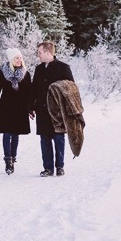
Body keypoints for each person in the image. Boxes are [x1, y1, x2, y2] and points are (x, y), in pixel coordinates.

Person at [30, 41, 74, 177]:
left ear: (48, 52)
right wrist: (31, 107)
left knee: (58, 137)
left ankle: (60, 166)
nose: (38, 55)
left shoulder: (63, 68)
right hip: (42, 110)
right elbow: (34, 89)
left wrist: (69, 109)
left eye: (40, 53)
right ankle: (48, 168)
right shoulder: (39, 69)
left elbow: (71, 89)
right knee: (44, 139)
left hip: (57, 111)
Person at [0, 47, 32, 175]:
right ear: (11, 59)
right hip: (5, 106)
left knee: (15, 134)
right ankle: (8, 160)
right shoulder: (3, 72)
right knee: (7, 133)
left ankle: (13, 156)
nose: (19, 60)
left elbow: (29, 92)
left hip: (20, 107)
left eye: (20, 58)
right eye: (17, 58)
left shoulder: (25, 73)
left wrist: (30, 107)